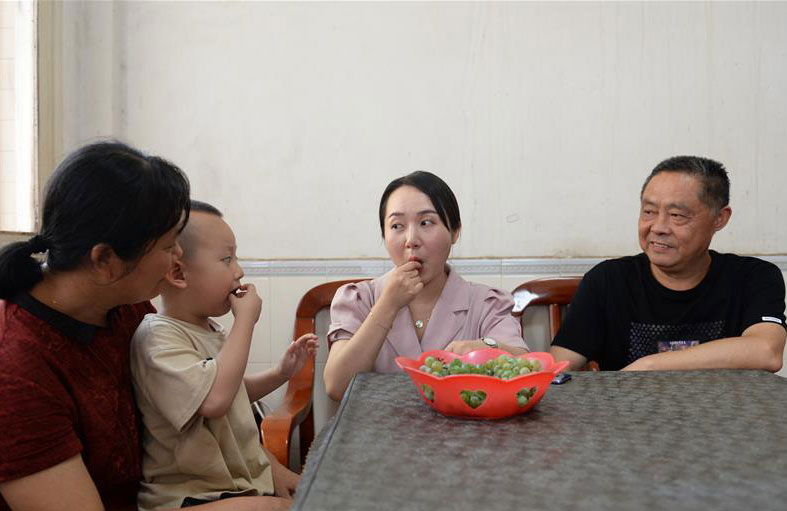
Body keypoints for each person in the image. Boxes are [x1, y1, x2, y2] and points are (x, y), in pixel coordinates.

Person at [0, 142, 190, 511]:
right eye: (168, 246)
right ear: (105, 259)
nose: (179, 256)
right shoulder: (17, 369)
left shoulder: (126, 307)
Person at [130, 201, 318, 511]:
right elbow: (214, 401)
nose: (239, 271)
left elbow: (232, 391)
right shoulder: (157, 338)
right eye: (227, 259)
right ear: (178, 272)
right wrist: (245, 321)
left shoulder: (207, 329)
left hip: (235, 487)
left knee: (319, 495)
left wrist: (280, 373)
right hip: (191, 497)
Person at [551, 156, 786, 371]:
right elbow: (558, 370)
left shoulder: (753, 277)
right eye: (649, 211)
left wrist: (648, 365)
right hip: (626, 406)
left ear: (719, 218)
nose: (658, 227)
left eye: (677, 215)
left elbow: (766, 352)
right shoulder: (608, 280)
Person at [323, 171, 528, 400]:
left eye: (426, 222)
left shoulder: (487, 303)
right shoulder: (359, 298)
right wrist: (387, 305)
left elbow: (525, 370)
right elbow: (337, 386)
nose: (411, 240)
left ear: (455, 232)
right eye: (397, 226)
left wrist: (487, 347)